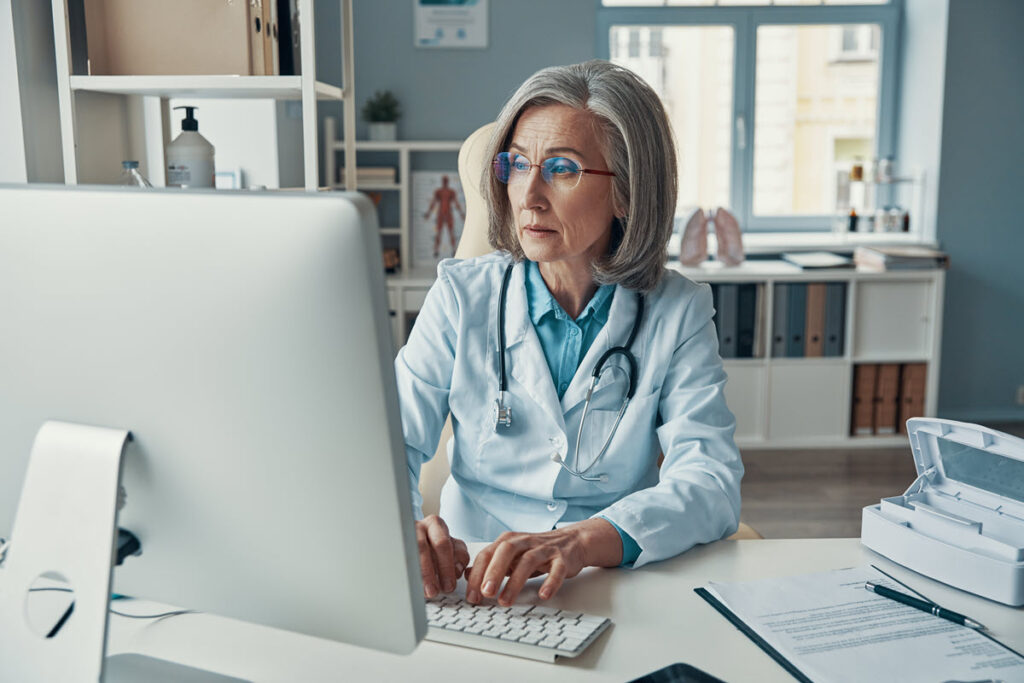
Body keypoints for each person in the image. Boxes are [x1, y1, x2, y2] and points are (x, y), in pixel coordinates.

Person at [395, 60, 743, 608]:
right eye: (517, 164)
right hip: (469, 582)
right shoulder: (462, 296)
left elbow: (710, 479)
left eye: (561, 169)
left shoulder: (678, 310)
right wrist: (400, 527)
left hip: (606, 579)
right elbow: (389, 445)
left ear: (626, 193)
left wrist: (582, 541)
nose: (527, 194)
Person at [423, 174, 465, 259]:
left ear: (447, 182)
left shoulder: (451, 192)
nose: (445, 182)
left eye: (446, 180)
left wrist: (461, 213)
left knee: (451, 233)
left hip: (448, 213)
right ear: (442, 182)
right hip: (441, 214)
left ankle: (454, 250)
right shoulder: (438, 191)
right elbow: (433, 203)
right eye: (444, 180)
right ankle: (436, 250)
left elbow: (456, 203)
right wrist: (428, 213)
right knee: (439, 233)